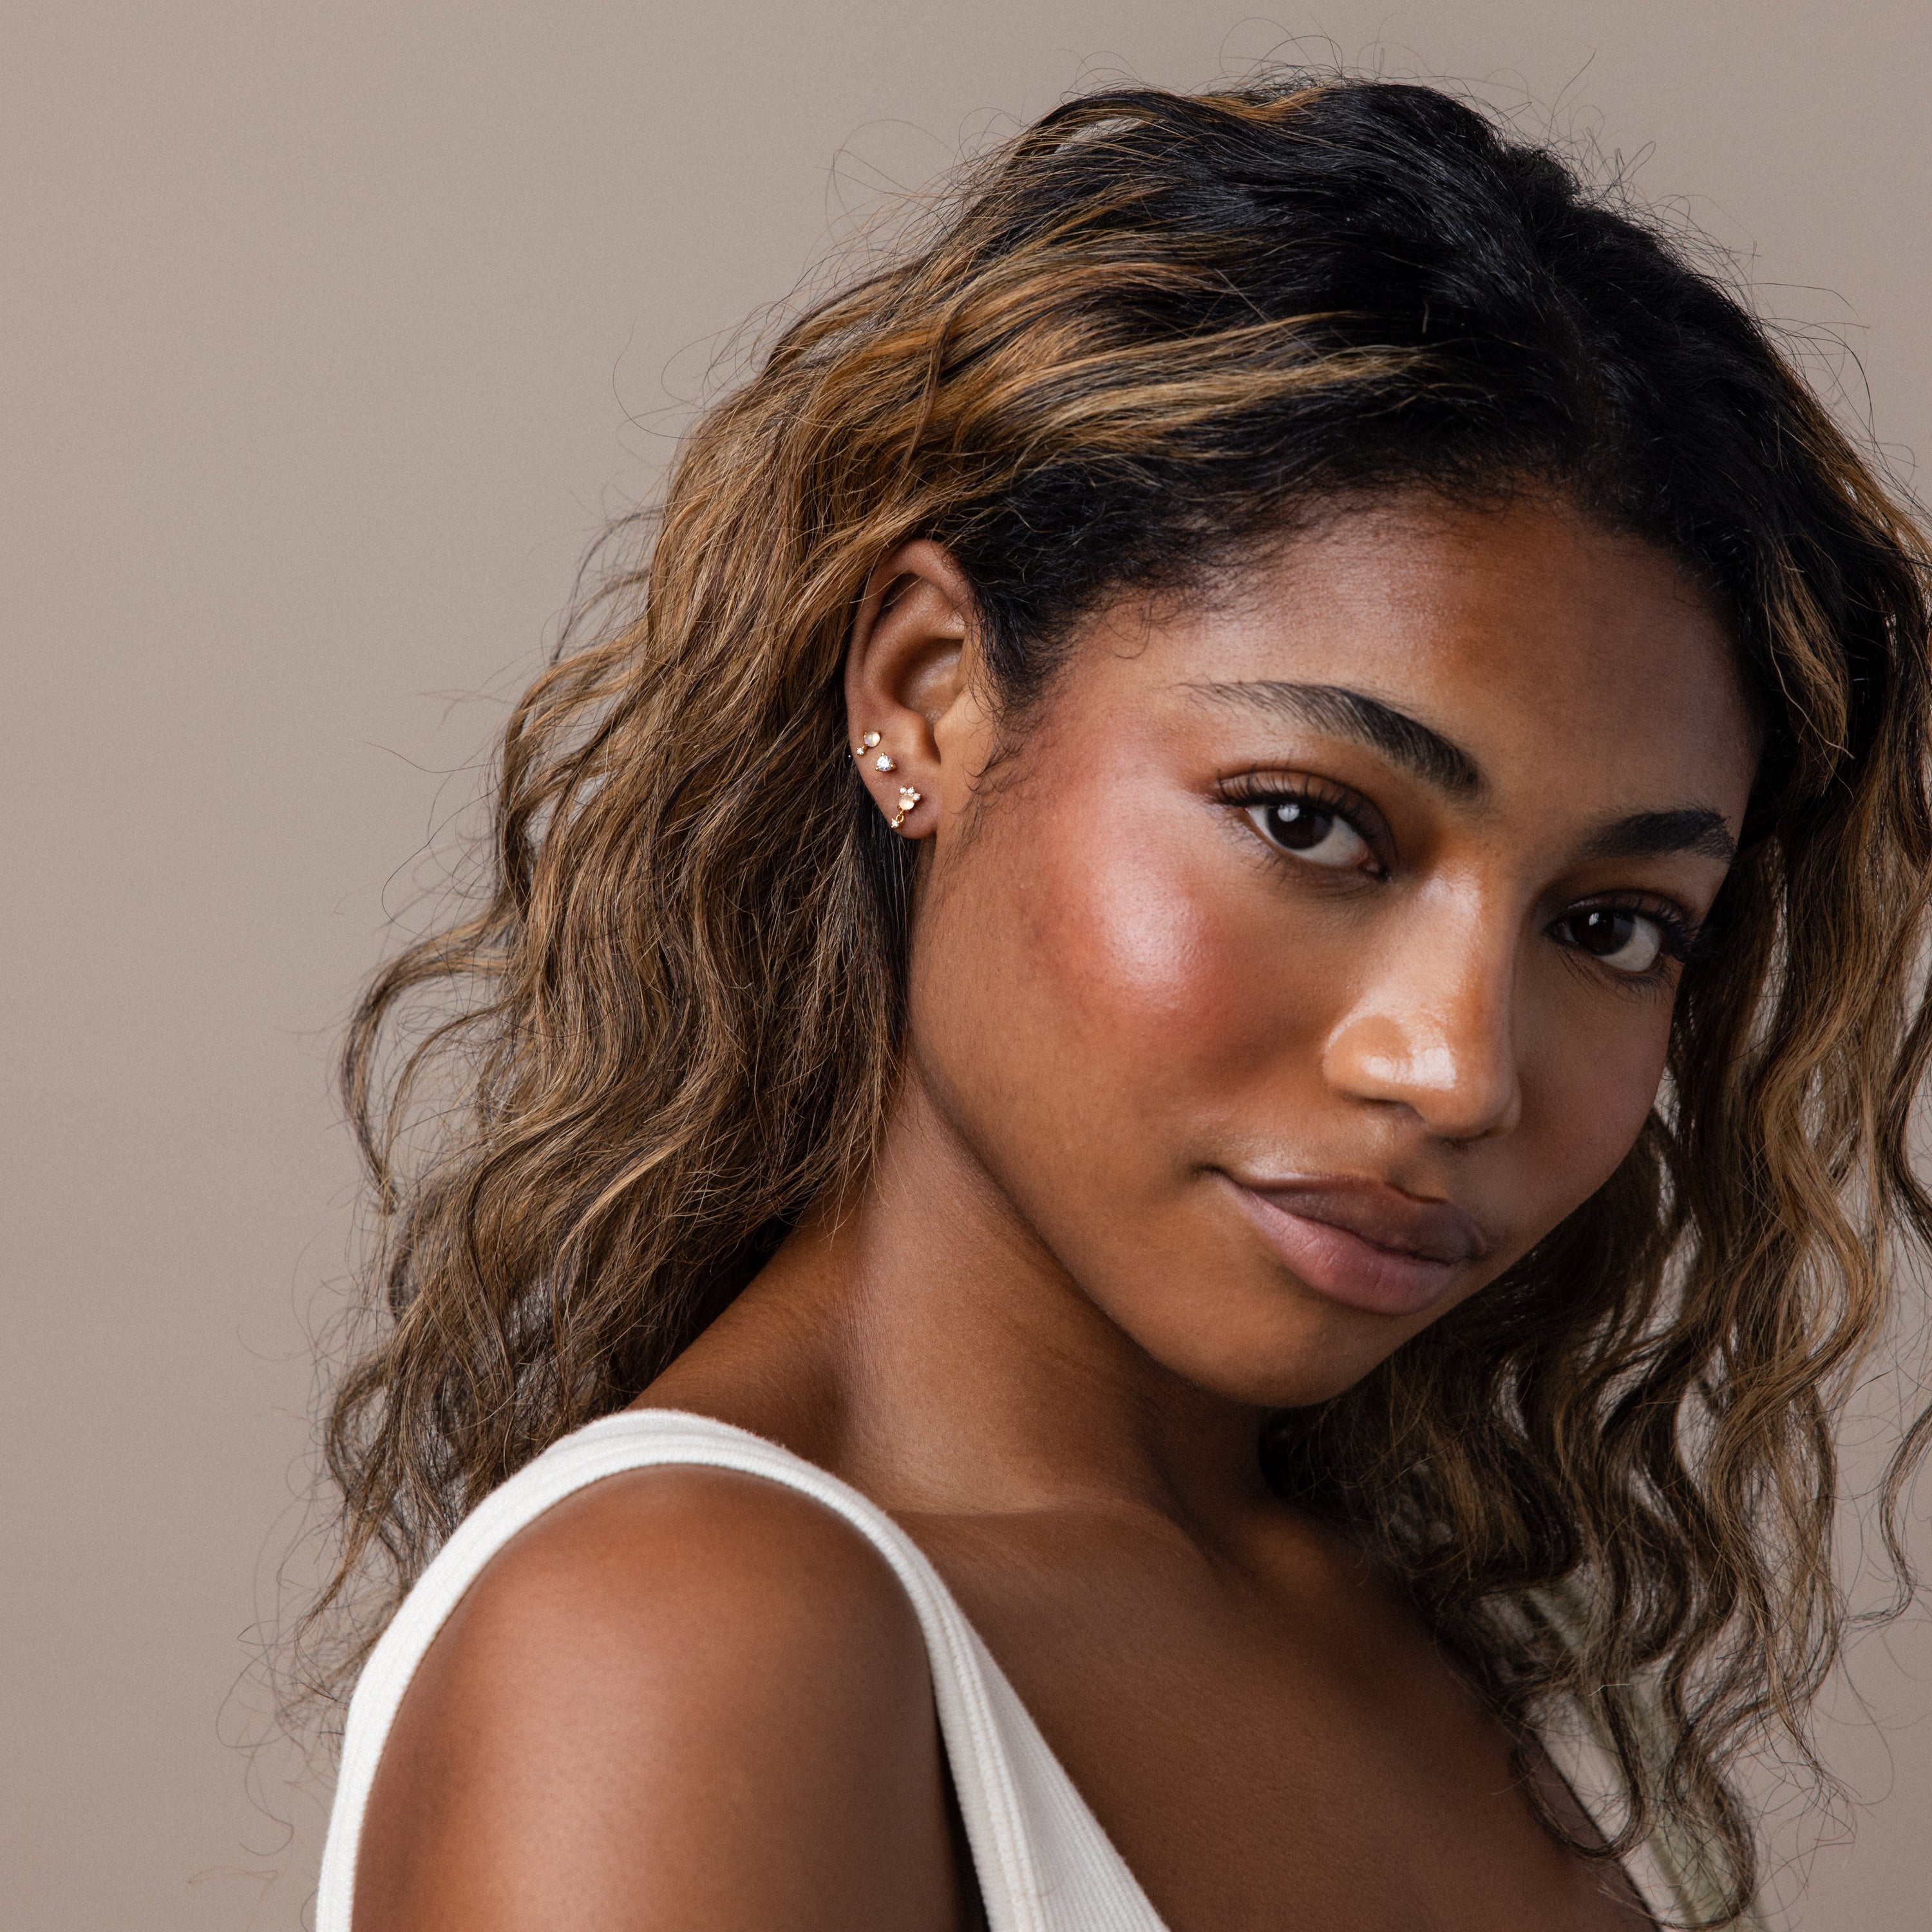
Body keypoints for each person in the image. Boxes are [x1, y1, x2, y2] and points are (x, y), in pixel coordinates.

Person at [304, 74, 1932, 1931]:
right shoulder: (687, 1637)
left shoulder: (1424, 1631)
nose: (1457, 1067)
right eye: (1311, 821)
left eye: (1619, 926)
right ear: (926, 693)